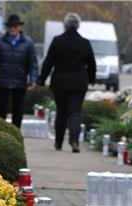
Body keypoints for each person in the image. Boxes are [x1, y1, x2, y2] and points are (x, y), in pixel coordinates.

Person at [38, 13, 96, 152]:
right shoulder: (85, 43)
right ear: (78, 25)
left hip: (60, 82)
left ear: (64, 25)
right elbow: (91, 64)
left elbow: (49, 62)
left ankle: (58, 142)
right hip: (79, 83)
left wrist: (41, 79)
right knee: (75, 112)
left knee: (62, 112)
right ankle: (74, 141)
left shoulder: (57, 41)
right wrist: (91, 78)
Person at [0, 14, 38, 128]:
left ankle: (15, 136)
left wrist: (33, 80)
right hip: (2, 81)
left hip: (20, 81)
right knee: (1, 111)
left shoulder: (28, 43)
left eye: (15, 26)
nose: (13, 28)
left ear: (19, 27)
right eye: (10, 26)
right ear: (7, 28)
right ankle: (0, 135)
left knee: (18, 112)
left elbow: (33, 64)